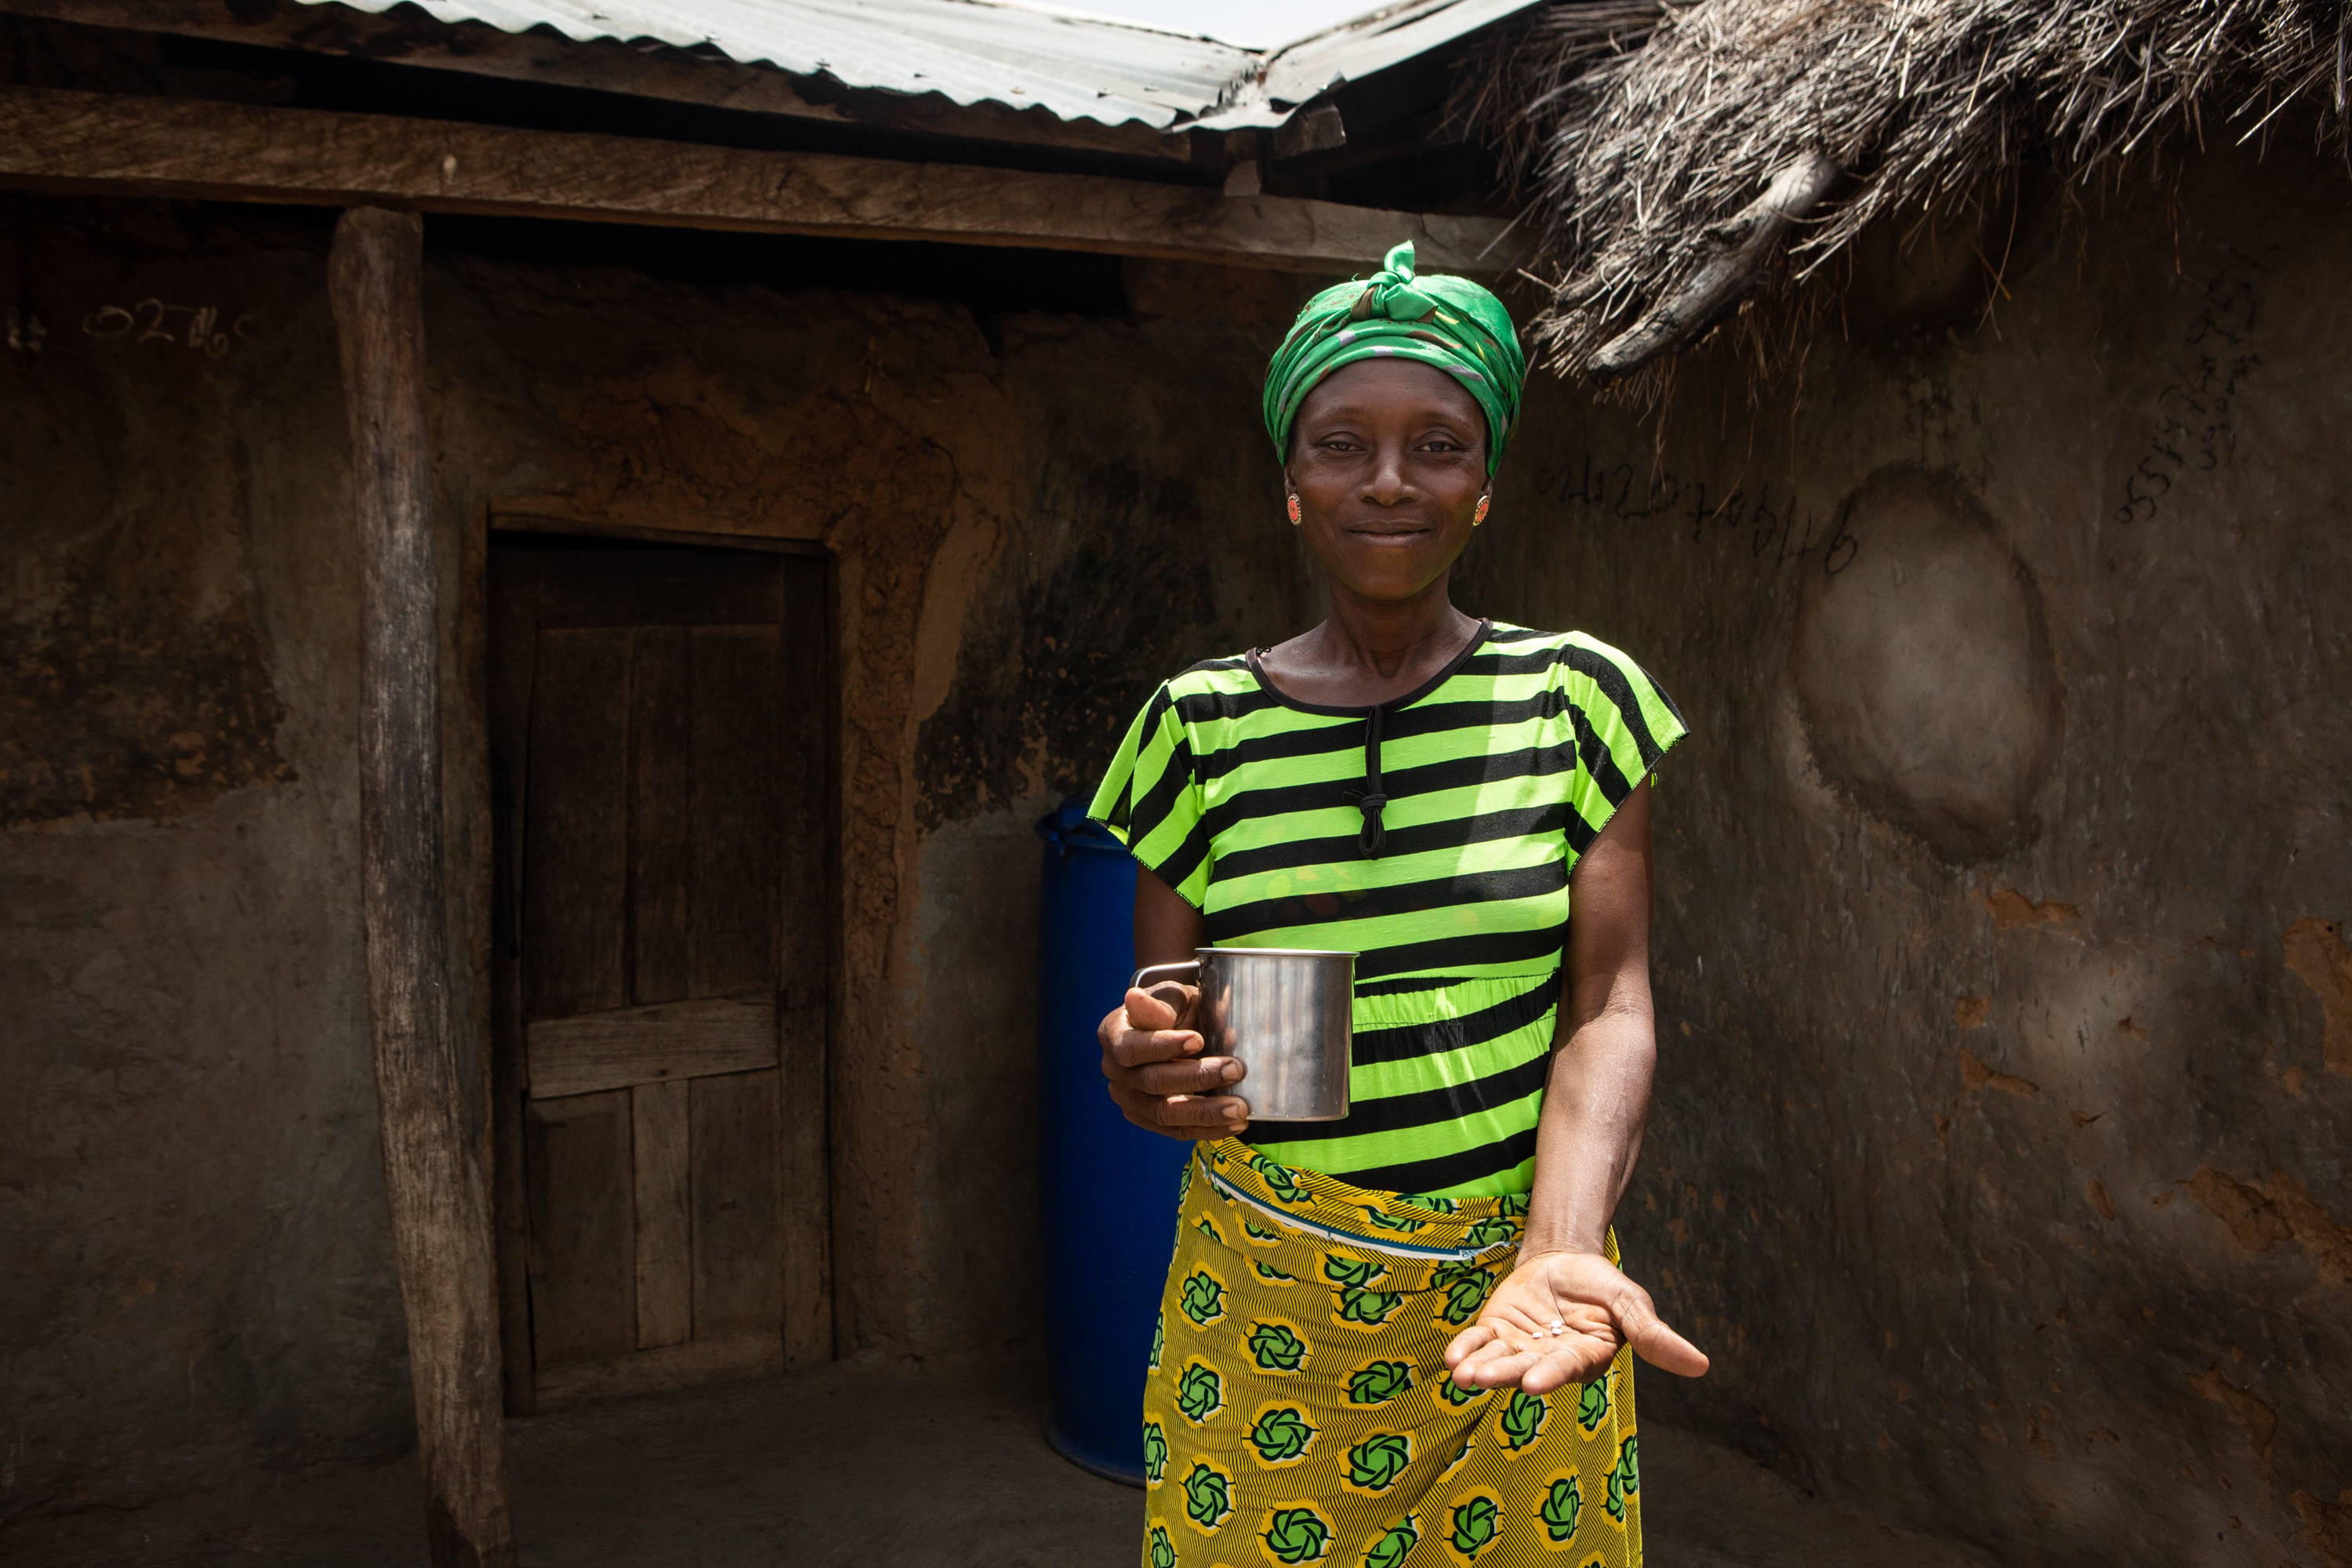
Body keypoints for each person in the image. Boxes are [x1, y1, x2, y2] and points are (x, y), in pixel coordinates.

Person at [1088, 241, 1708, 1568]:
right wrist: (1141, 1068)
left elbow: (1609, 1003)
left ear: (1485, 487)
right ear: (1293, 486)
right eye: (1341, 445)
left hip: (1523, 1316)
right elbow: (1171, 1029)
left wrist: (1556, 1247)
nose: (1387, 479)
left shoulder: (1577, 701)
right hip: (1267, 1323)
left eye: (1437, 445)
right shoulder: (1195, 729)